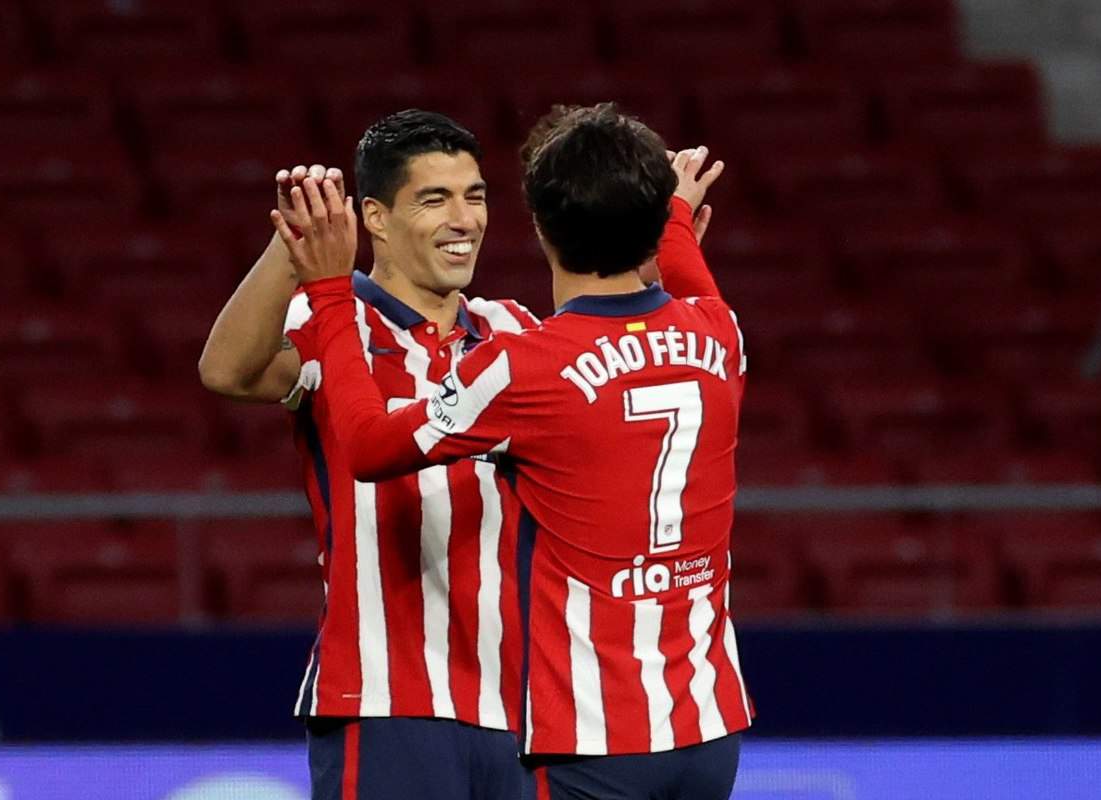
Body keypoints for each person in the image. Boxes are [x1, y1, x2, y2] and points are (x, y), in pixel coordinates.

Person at [272, 104, 751, 800]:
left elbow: (372, 446)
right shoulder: (720, 332)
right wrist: (669, 214)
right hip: (707, 725)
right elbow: (683, 268)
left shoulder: (526, 363)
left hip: (590, 736)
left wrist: (324, 289)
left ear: (539, 228)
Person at [199, 111, 536, 799]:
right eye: (435, 199)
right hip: (383, 701)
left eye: (474, 196)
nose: (464, 219)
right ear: (375, 219)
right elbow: (227, 371)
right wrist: (293, 248)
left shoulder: (514, 329)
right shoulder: (332, 320)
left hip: (523, 705)